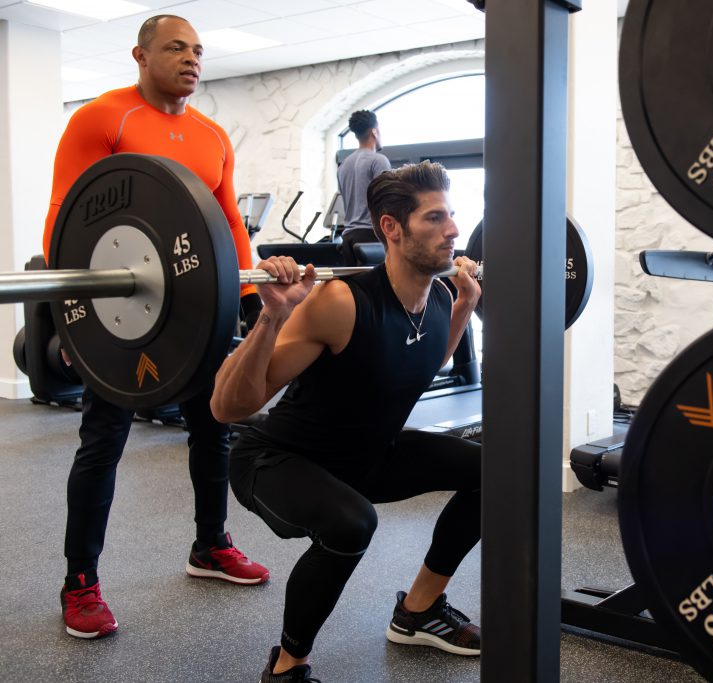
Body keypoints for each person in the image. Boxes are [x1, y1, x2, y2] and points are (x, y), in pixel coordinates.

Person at [211, 161, 482, 682]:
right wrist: (272, 314)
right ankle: (288, 665)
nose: (453, 230)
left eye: (452, 216)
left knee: (494, 471)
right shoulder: (340, 302)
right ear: (391, 229)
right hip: (277, 459)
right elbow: (228, 409)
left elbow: (418, 366)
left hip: (365, 456)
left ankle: (419, 611)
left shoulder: (443, 296)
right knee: (351, 521)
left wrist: (465, 307)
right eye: (435, 219)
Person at [43, 14, 269, 640]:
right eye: (176, 47)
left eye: (198, 49)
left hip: (195, 309)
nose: (191, 58)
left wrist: (249, 291)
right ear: (140, 55)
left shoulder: (212, 135)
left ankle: (210, 546)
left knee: (213, 427)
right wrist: (75, 318)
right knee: (102, 444)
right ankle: (80, 582)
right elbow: (67, 218)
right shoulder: (103, 119)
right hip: (122, 316)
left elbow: (229, 226)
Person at [336, 109, 391, 264]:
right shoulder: (379, 160)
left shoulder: (343, 166)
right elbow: (386, 200)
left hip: (348, 238)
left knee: (353, 287)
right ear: (374, 131)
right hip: (371, 237)